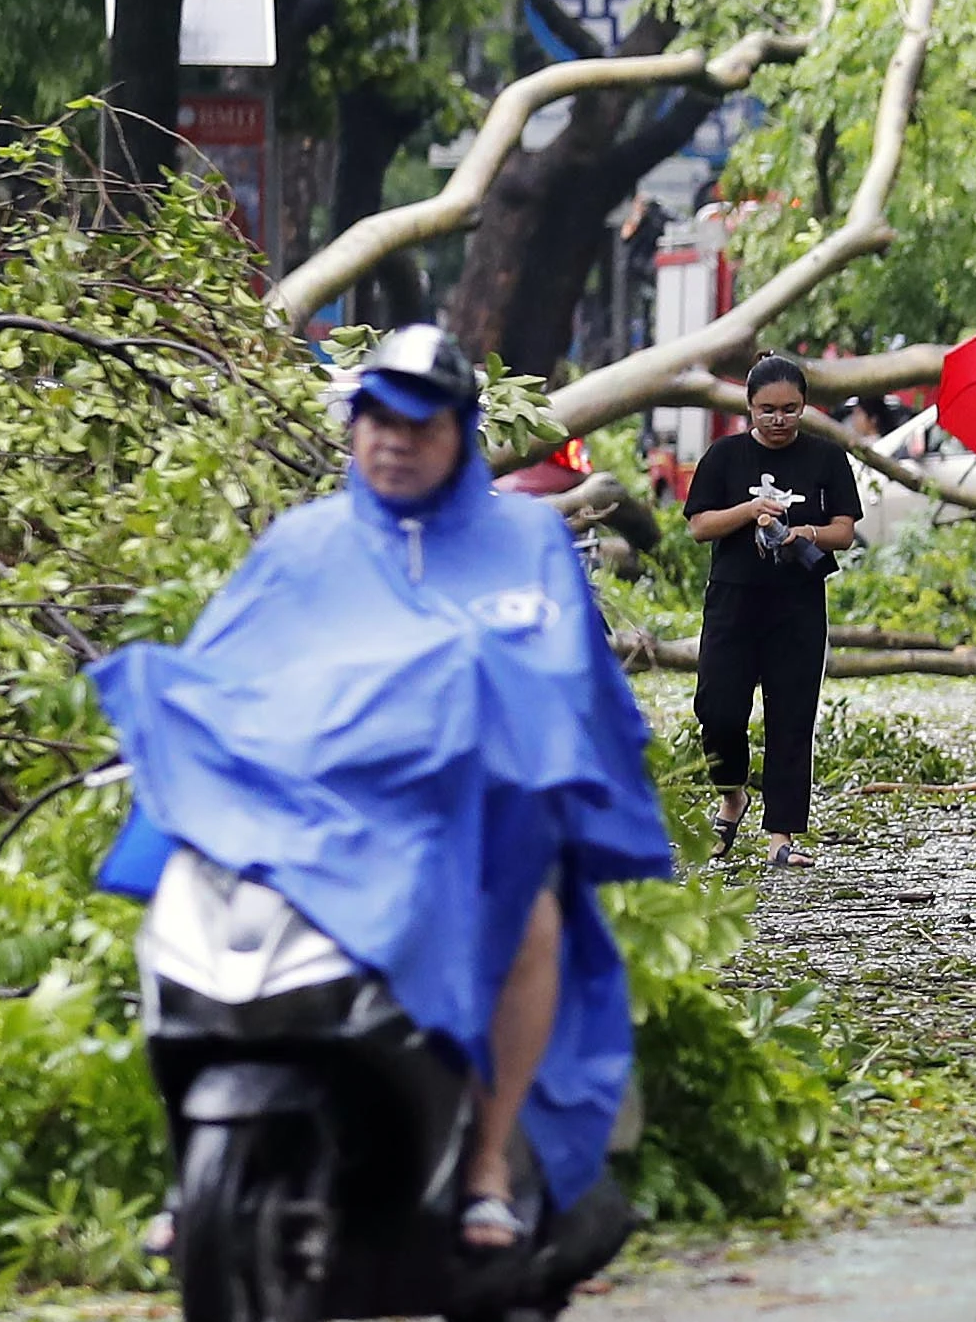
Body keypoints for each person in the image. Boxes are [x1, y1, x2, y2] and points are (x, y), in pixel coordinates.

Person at [92, 322, 670, 1255]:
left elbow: (566, 681)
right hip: (316, 820)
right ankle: (194, 1163)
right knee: (186, 909)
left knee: (533, 912)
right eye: (375, 420)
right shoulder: (302, 544)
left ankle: (485, 1161)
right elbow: (227, 671)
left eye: (420, 423)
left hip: (476, 821)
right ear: (352, 428)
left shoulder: (523, 538)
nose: (393, 441)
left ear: (462, 433)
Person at [680, 352, 864, 865]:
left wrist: (806, 531)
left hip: (798, 602)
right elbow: (698, 527)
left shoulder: (826, 457)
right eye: (767, 410)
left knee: (791, 716)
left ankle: (782, 835)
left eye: (789, 409)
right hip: (733, 599)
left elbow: (844, 531)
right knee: (717, 709)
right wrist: (750, 511)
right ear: (749, 408)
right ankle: (732, 793)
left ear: (804, 406)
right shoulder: (724, 456)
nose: (778, 420)